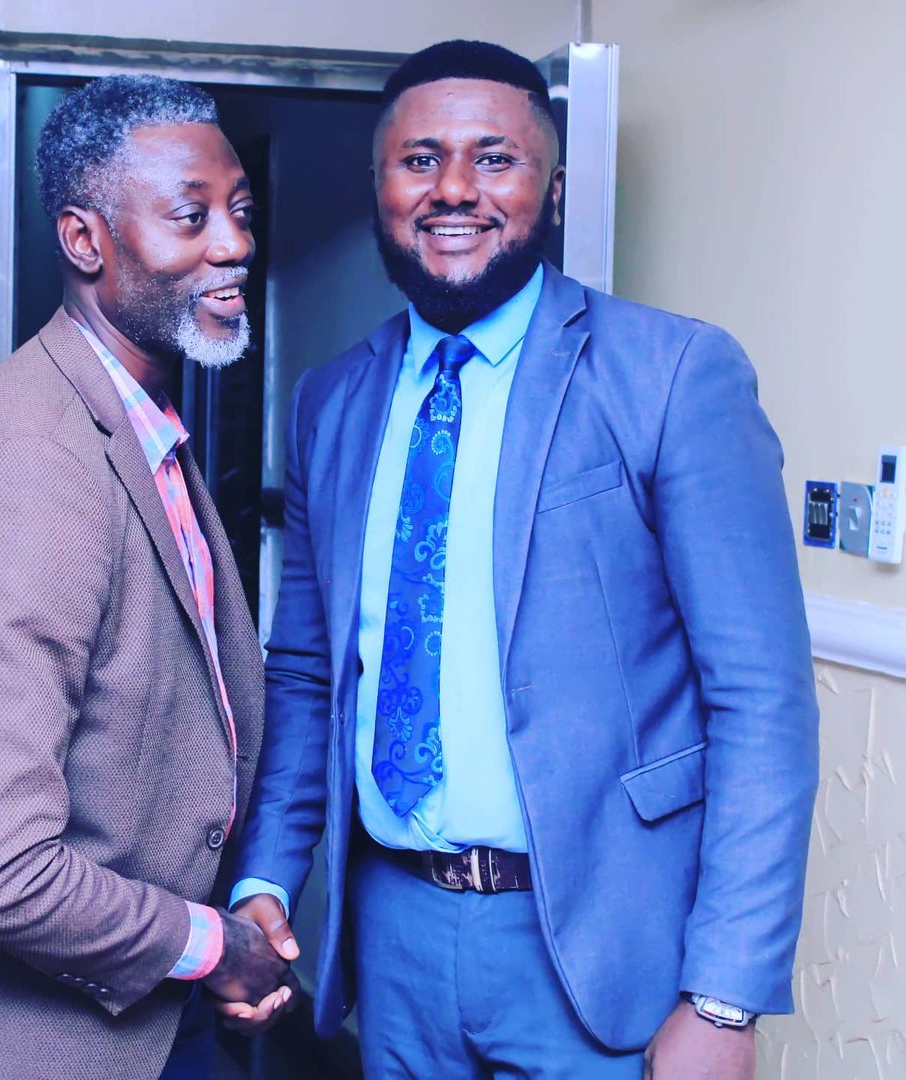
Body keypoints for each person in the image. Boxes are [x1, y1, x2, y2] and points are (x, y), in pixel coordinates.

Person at [226, 40, 819, 1079]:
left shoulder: (673, 374)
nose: (453, 188)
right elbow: (310, 674)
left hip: (599, 950)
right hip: (391, 940)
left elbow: (761, 700)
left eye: (493, 158)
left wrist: (724, 999)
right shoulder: (331, 400)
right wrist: (264, 878)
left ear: (549, 189)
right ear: (379, 186)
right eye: (419, 161)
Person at [0, 75, 294, 1079]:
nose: (234, 244)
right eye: (191, 216)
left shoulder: (140, 428)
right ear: (85, 241)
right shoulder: (31, 461)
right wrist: (213, 947)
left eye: (240, 211)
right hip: (34, 1047)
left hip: (147, 1028)